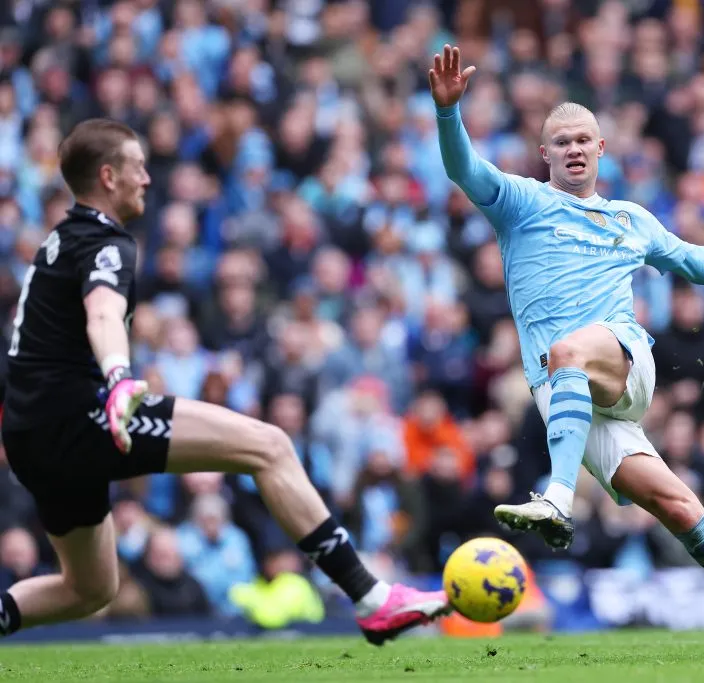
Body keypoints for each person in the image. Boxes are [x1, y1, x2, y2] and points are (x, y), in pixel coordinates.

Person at [429, 45, 704, 656]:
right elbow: (464, 171)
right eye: (562, 142)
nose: (575, 149)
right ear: (545, 154)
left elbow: (693, 260)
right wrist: (449, 114)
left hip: (620, 360)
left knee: (570, 350)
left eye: (585, 139)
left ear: (602, 149)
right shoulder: (521, 204)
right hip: (566, 393)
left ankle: (557, 498)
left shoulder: (628, 218)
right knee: (682, 511)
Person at [0, 119, 449, 645]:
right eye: (137, 166)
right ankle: (372, 599)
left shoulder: (59, 238)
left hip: (31, 434)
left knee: (90, 589)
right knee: (269, 446)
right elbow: (103, 313)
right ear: (108, 176)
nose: (147, 178)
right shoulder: (106, 242)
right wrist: (120, 377)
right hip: (79, 417)